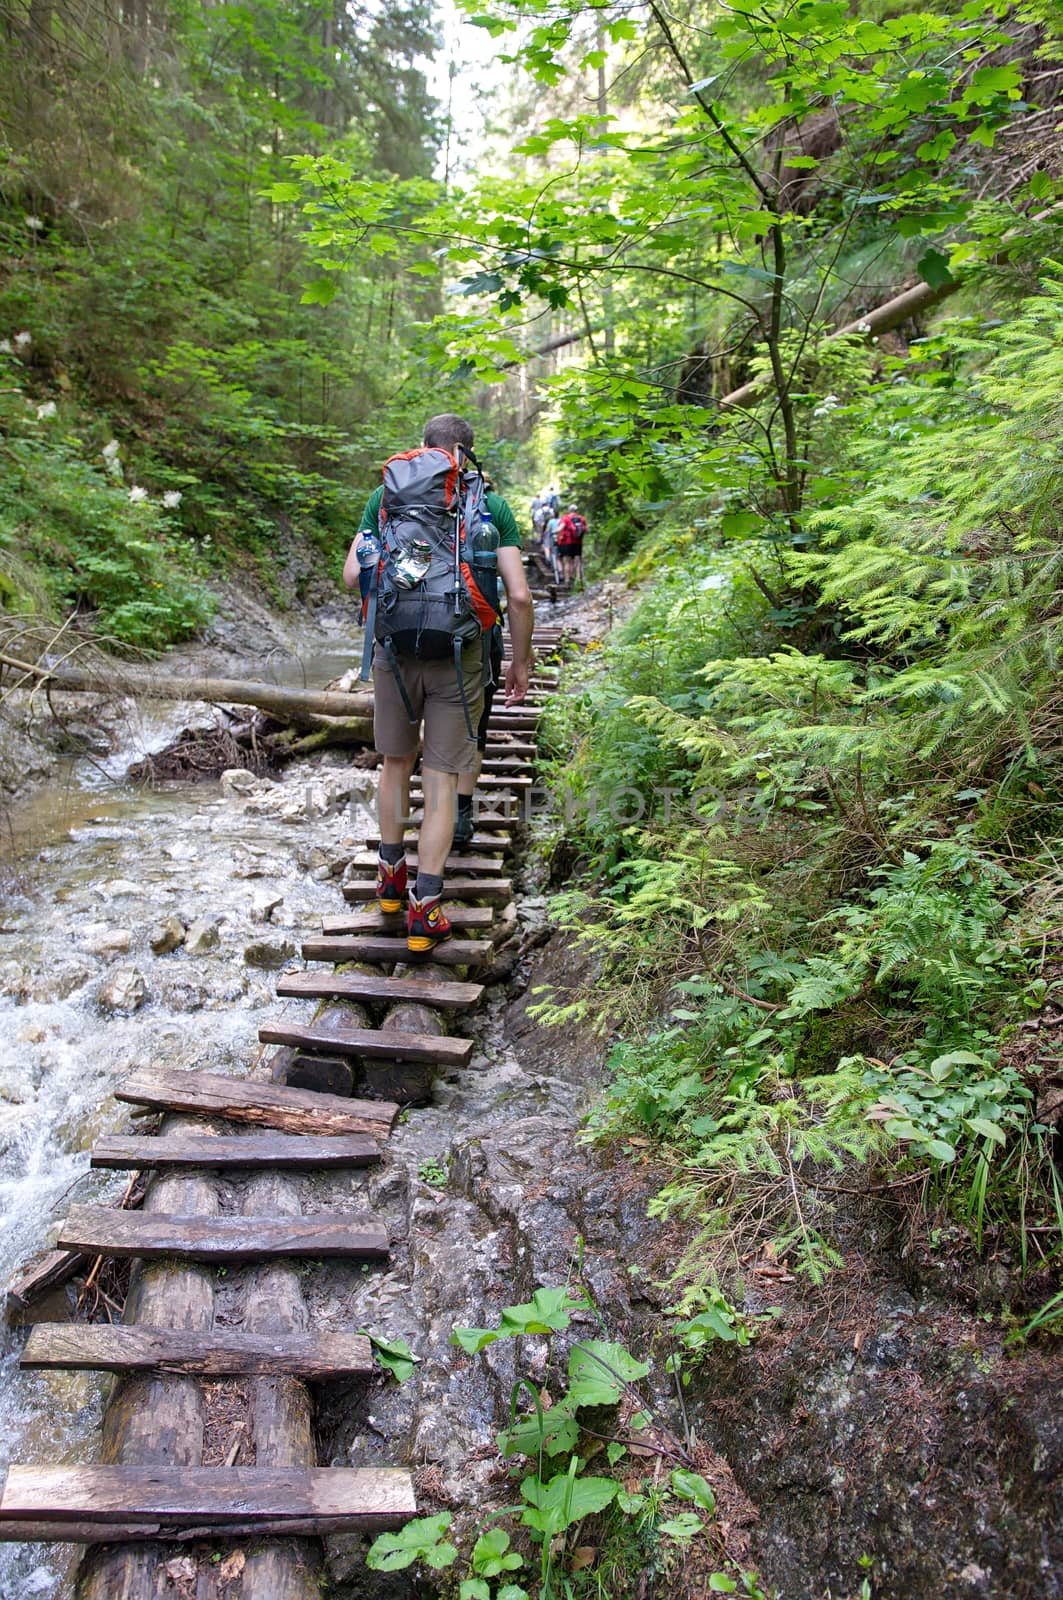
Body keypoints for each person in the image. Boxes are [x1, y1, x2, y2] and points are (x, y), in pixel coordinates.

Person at [344, 413, 534, 952]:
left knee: (395, 764)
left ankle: (388, 880)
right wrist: (520, 662)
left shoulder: (385, 497)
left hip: (392, 651)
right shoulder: (488, 505)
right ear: (466, 454)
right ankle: (425, 909)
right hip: (459, 654)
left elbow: (354, 577)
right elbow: (518, 596)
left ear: (422, 449)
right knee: (444, 775)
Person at [556, 504, 587, 583]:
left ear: (569, 510)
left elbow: (560, 528)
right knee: (577, 560)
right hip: (578, 543)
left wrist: (553, 532)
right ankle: (578, 579)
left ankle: (567, 579)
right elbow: (586, 530)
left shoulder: (565, 518)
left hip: (566, 543)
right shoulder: (582, 518)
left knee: (566, 561)